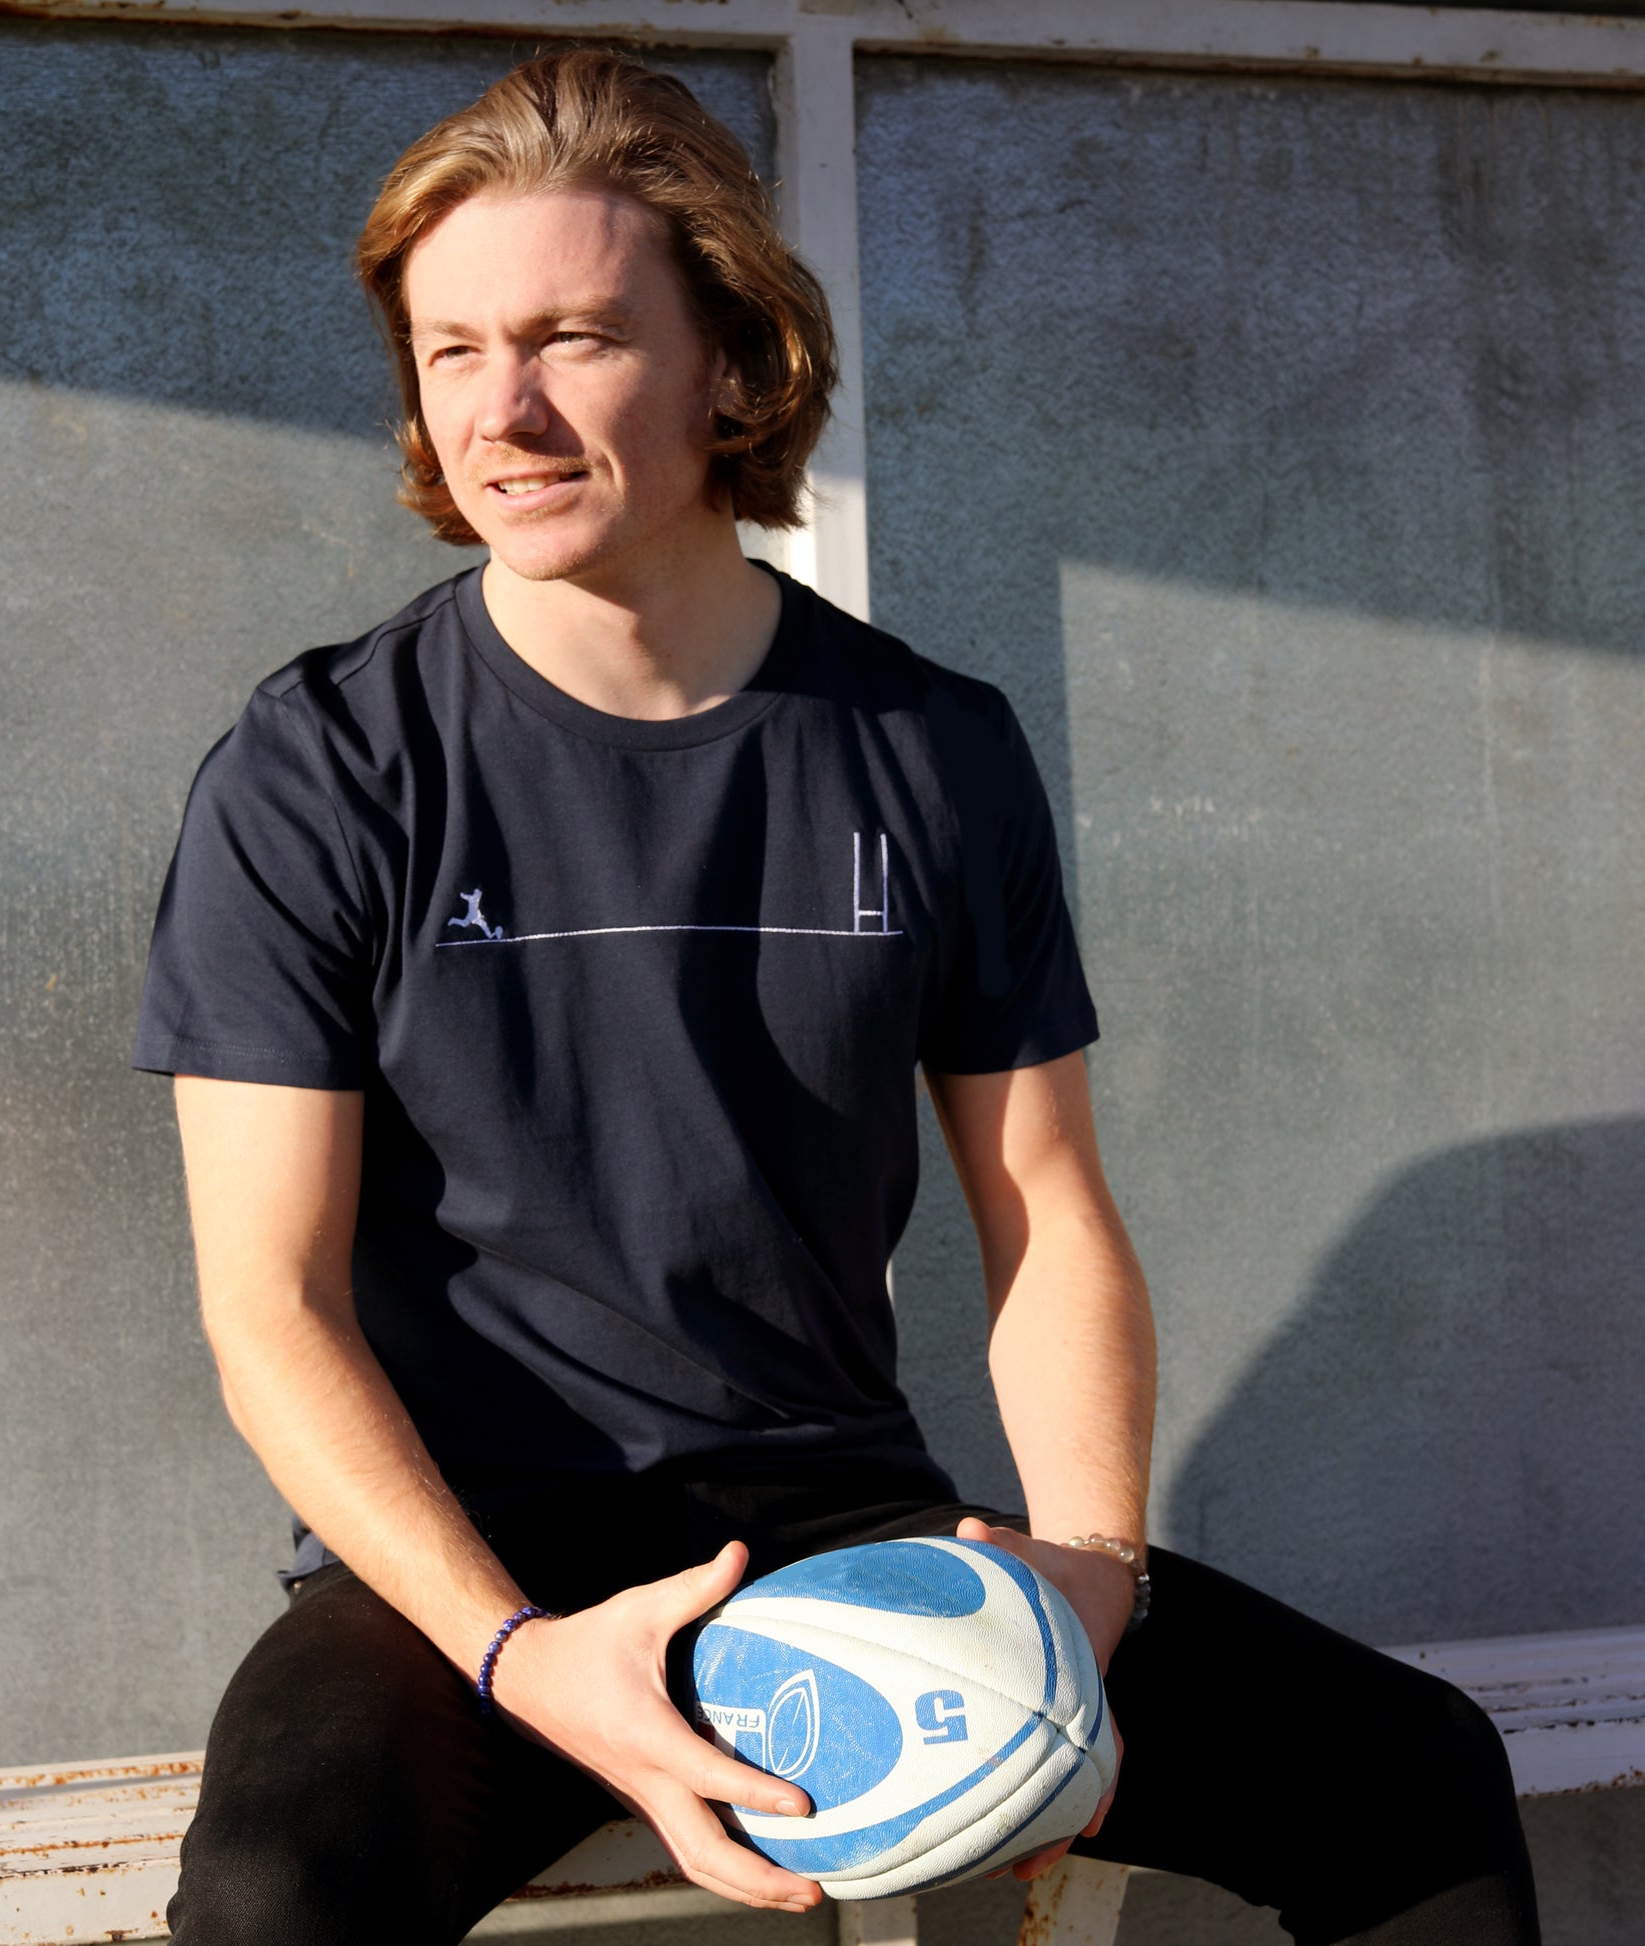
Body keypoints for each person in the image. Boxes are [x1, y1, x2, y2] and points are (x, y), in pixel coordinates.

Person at [133, 49, 1540, 1945]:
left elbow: (1046, 1211)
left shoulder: (929, 750)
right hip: (469, 1581)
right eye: (451, 350)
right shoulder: (322, 768)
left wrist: (1089, 1570)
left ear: (732, 363)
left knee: (1412, 1775)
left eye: (570, 339)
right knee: (274, 1892)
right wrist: (519, 1650)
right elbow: (269, 1305)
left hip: (837, 1540)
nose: (502, 411)